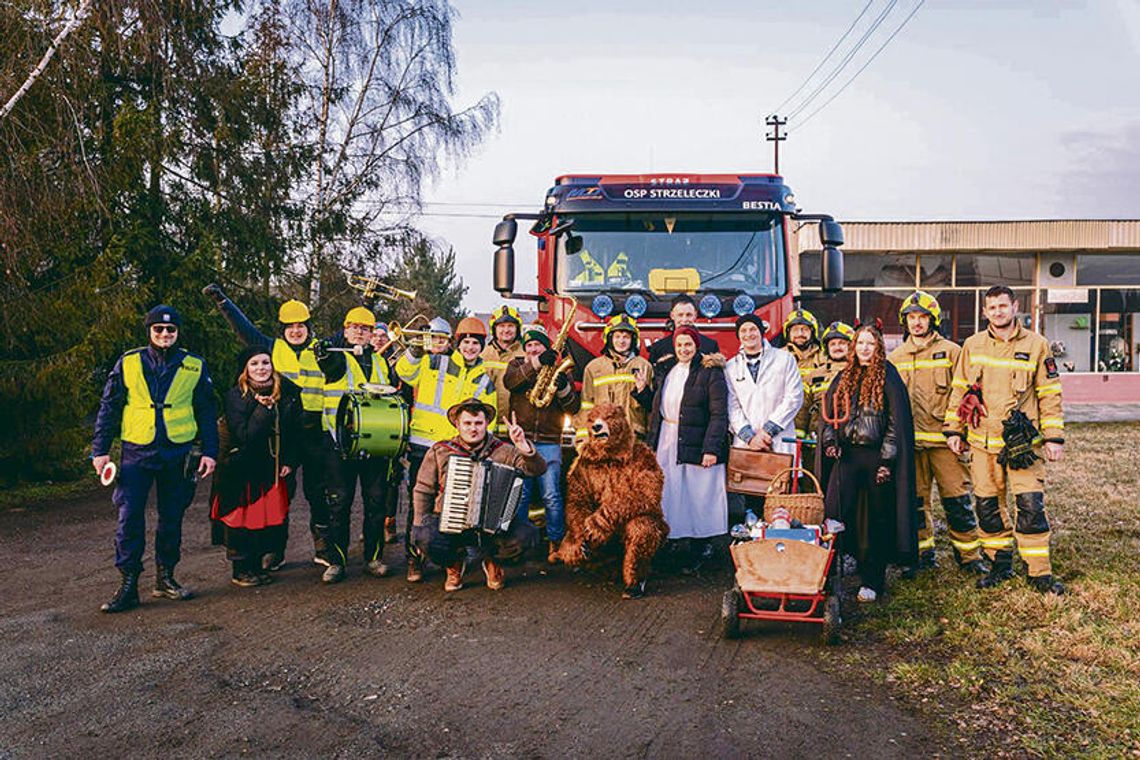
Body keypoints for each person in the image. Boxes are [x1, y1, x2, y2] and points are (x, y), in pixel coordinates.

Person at [92, 305, 219, 613]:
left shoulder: (194, 364)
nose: (164, 334)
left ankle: (165, 578)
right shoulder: (129, 362)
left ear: (178, 332)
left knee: (172, 517)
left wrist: (210, 451)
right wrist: (100, 450)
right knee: (129, 517)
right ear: (149, 331)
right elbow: (109, 406)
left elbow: (206, 410)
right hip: (136, 452)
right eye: (158, 329)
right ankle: (128, 584)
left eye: (170, 329)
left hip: (177, 452)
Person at [943, 286, 1066, 595]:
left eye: (1003, 306)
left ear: (1015, 307)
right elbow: (959, 391)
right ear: (985, 312)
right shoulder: (972, 345)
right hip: (982, 444)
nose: (998, 312)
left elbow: (1049, 394)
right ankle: (999, 565)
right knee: (987, 508)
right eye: (992, 307)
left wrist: (1053, 437)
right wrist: (954, 430)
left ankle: (1039, 572)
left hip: (1022, 446)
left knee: (1030, 507)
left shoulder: (1037, 345)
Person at [202, 284, 328, 570]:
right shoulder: (271, 347)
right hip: (283, 430)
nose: (296, 331)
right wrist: (223, 302)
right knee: (281, 492)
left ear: (308, 327)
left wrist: (368, 301)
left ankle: (323, 547)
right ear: (282, 329)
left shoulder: (321, 349)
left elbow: (350, 334)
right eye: (290, 326)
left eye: (301, 325)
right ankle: (276, 549)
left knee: (318, 491)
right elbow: (243, 329)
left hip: (314, 429)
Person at [888, 292, 988, 575]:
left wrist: (961, 433)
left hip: (946, 443)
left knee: (957, 501)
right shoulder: (895, 358)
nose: (916, 323)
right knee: (916, 505)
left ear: (932, 320)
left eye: (922, 317)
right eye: (911, 317)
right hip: (911, 446)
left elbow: (966, 396)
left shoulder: (953, 352)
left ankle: (969, 557)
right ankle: (922, 555)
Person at [819, 324, 918, 603]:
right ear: (854, 347)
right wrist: (830, 442)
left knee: (877, 517)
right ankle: (829, 571)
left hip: (875, 456)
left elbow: (895, 425)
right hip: (846, 456)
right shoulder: (844, 376)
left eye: (870, 344)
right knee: (834, 512)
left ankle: (873, 579)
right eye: (860, 343)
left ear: (878, 347)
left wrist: (887, 460)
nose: (864, 348)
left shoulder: (889, 377)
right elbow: (829, 416)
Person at [395, 316, 496, 582]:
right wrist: (415, 349)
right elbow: (404, 372)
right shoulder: (434, 362)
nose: (470, 347)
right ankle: (414, 559)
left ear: (482, 347)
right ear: (457, 344)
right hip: (424, 444)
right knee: (420, 503)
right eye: (466, 342)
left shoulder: (485, 381)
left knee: (455, 506)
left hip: (458, 451)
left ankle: (450, 558)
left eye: (476, 343)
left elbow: (488, 421)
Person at [411, 401, 547, 592]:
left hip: (493, 528)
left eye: (478, 423)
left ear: (486, 424)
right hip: (450, 525)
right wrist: (419, 523)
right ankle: (454, 563)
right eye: (467, 423)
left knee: (528, 535)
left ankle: (493, 560)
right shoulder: (440, 451)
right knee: (424, 537)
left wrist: (523, 446)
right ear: (457, 425)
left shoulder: (505, 451)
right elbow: (423, 489)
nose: (473, 429)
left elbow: (538, 469)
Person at [313, 306, 394, 584]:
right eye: (354, 327)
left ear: (372, 333)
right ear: (345, 329)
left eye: (365, 328)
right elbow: (326, 361)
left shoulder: (381, 362)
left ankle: (374, 558)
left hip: (376, 442)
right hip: (340, 443)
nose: (359, 332)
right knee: (339, 503)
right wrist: (326, 347)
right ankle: (337, 562)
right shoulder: (336, 357)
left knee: (376, 503)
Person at [639, 324, 729, 572]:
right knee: (670, 492)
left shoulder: (710, 372)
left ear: (696, 346)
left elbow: (719, 414)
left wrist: (711, 449)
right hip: (668, 438)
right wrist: (642, 392)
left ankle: (700, 547)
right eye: (679, 345)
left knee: (698, 494)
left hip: (697, 439)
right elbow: (659, 407)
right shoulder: (668, 369)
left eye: (688, 344)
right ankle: (670, 541)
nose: (683, 349)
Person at [210, 347, 302, 587]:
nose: (261, 368)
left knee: (266, 519)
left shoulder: (288, 392)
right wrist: (264, 410)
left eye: (265, 362)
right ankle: (241, 568)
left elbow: (295, 431)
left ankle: (258, 564)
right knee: (242, 519)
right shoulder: (235, 396)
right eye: (254, 364)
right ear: (245, 369)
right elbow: (245, 434)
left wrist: (290, 461)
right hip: (242, 470)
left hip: (272, 468)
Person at [504, 323, 581, 563]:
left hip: (549, 441)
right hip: (522, 441)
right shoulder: (517, 365)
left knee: (551, 495)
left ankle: (556, 542)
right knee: (521, 495)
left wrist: (563, 388)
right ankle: (520, 544)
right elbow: (511, 382)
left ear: (546, 347)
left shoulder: (559, 371)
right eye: (529, 345)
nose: (533, 349)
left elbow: (573, 407)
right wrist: (537, 363)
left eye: (538, 345)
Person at [724, 313, 803, 520]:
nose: (748, 334)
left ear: (761, 332)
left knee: (782, 495)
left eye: (753, 329)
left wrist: (767, 431)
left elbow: (794, 397)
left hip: (779, 438)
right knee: (752, 494)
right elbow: (732, 405)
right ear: (738, 336)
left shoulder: (784, 359)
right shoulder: (731, 366)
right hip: (749, 445)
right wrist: (750, 437)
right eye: (743, 331)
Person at [577, 314, 654, 442]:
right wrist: (583, 440)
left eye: (626, 337)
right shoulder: (594, 368)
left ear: (633, 340)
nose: (621, 341)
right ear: (609, 338)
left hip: (634, 438)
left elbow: (651, 409)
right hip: (602, 437)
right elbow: (586, 406)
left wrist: (643, 392)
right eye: (617, 336)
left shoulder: (644, 366)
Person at [480, 305, 525, 439]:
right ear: (494, 329)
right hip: (487, 430)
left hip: (517, 431)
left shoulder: (526, 354)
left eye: (511, 326)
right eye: (501, 326)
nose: (506, 330)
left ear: (517, 329)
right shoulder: (483, 355)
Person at [646, 294, 719, 369]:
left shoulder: (710, 346)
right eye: (680, 315)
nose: (684, 320)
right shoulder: (658, 348)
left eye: (689, 315)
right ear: (672, 315)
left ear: (695, 315)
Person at [781, 308, 823, 387]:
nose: (800, 334)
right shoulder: (778, 358)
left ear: (813, 333)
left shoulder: (824, 357)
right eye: (795, 330)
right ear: (788, 333)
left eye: (805, 329)